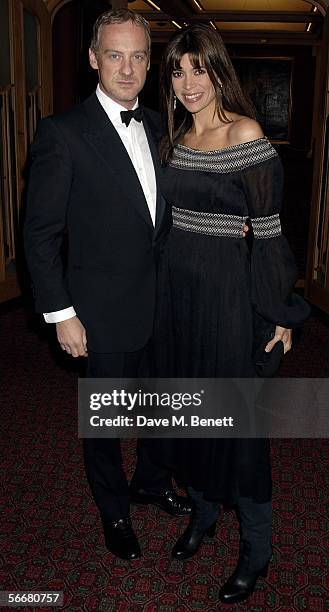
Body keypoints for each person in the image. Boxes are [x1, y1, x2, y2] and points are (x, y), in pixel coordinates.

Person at [24, 9, 192, 563]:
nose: (127, 68)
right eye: (115, 55)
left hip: (163, 306)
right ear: (93, 59)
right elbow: (41, 235)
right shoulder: (62, 133)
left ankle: (149, 481)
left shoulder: (164, 127)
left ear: (151, 63)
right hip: (99, 312)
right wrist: (60, 313)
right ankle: (113, 508)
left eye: (139, 56)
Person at [154, 24, 310, 604]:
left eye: (200, 68)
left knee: (238, 429)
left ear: (220, 71)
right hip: (178, 302)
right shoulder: (174, 140)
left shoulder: (244, 133)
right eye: (178, 71)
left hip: (227, 302)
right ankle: (202, 513)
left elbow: (268, 233)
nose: (189, 83)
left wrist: (279, 313)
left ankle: (258, 548)